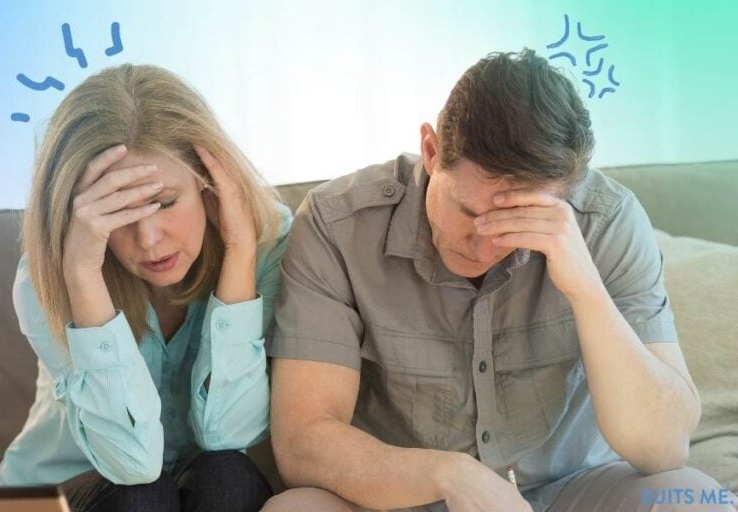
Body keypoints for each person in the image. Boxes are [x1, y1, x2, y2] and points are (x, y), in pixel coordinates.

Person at [264, 49, 736, 511]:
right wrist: (449, 475)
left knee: (698, 497)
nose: (486, 246)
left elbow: (664, 449)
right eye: (471, 213)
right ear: (431, 152)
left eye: (519, 222)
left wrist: (585, 289)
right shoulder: (338, 225)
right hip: (407, 497)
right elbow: (304, 442)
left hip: (575, 488)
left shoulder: (606, 221)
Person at [0, 63, 291, 512]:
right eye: (118, 213)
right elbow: (132, 463)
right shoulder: (45, 278)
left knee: (227, 475)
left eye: (166, 202)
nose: (149, 239)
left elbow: (230, 435)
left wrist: (239, 250)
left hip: (193, 491)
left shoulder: (266, 243)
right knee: (142, 495)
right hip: (60, 494)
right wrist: (82, 275)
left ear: (209, 184)